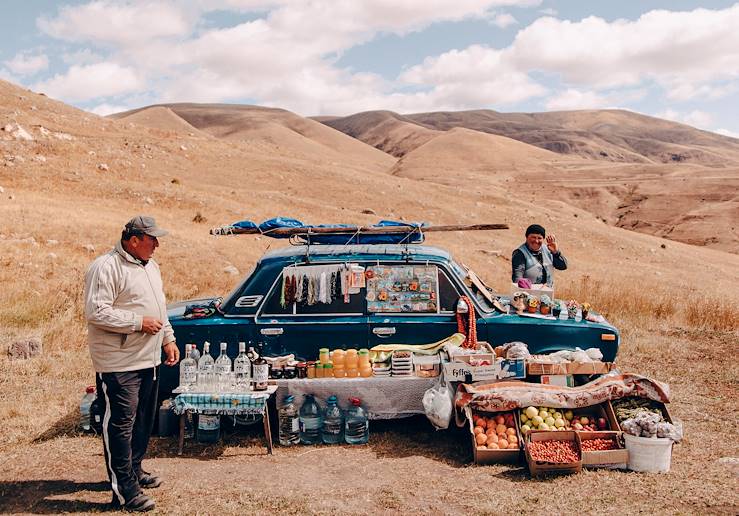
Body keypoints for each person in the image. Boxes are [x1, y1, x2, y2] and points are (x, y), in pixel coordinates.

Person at [84, 216, 179, 512]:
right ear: (134, 239)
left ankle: (134, 471)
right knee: (120, 424)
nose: (157, 245)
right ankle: (124, 490)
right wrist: (138, 323)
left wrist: (167, 338)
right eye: (152, 239)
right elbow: (96, 312)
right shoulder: (106, 267)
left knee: (142, 422)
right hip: (119, 362)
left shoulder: (151, 267)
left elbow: (159, 307)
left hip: (148, 359)